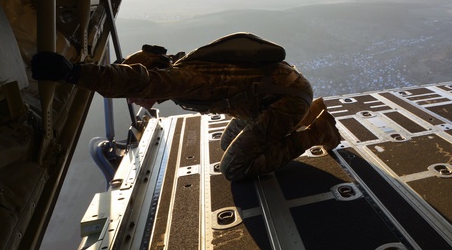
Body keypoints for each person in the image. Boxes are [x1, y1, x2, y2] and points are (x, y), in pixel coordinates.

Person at [30, 34, 341, 182]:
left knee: (235, 168)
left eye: (137, 94)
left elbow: (133, 81)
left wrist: (73, 73)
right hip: (276, 95)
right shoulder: (184, 66)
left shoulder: (181, 78)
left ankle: (314, 133)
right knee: (225, 144)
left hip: (284, 101)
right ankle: (308, 112)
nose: (135, 101)